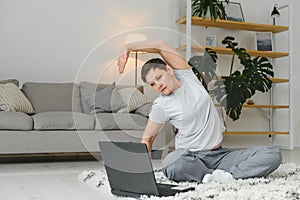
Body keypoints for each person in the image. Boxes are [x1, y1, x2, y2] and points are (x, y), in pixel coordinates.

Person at [117, 40, 282, 183]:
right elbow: (147, 139)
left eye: (159, 77)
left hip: (220, 156)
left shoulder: (187, 77)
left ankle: (222, 177)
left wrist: (128, 46)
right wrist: (140, 175)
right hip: (191, 158)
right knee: (171, 164)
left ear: (169, 69)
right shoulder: (161, 106)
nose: (157, 85)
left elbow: (161, 45)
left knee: (272, 154)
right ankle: (213, 177)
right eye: (152, 84)